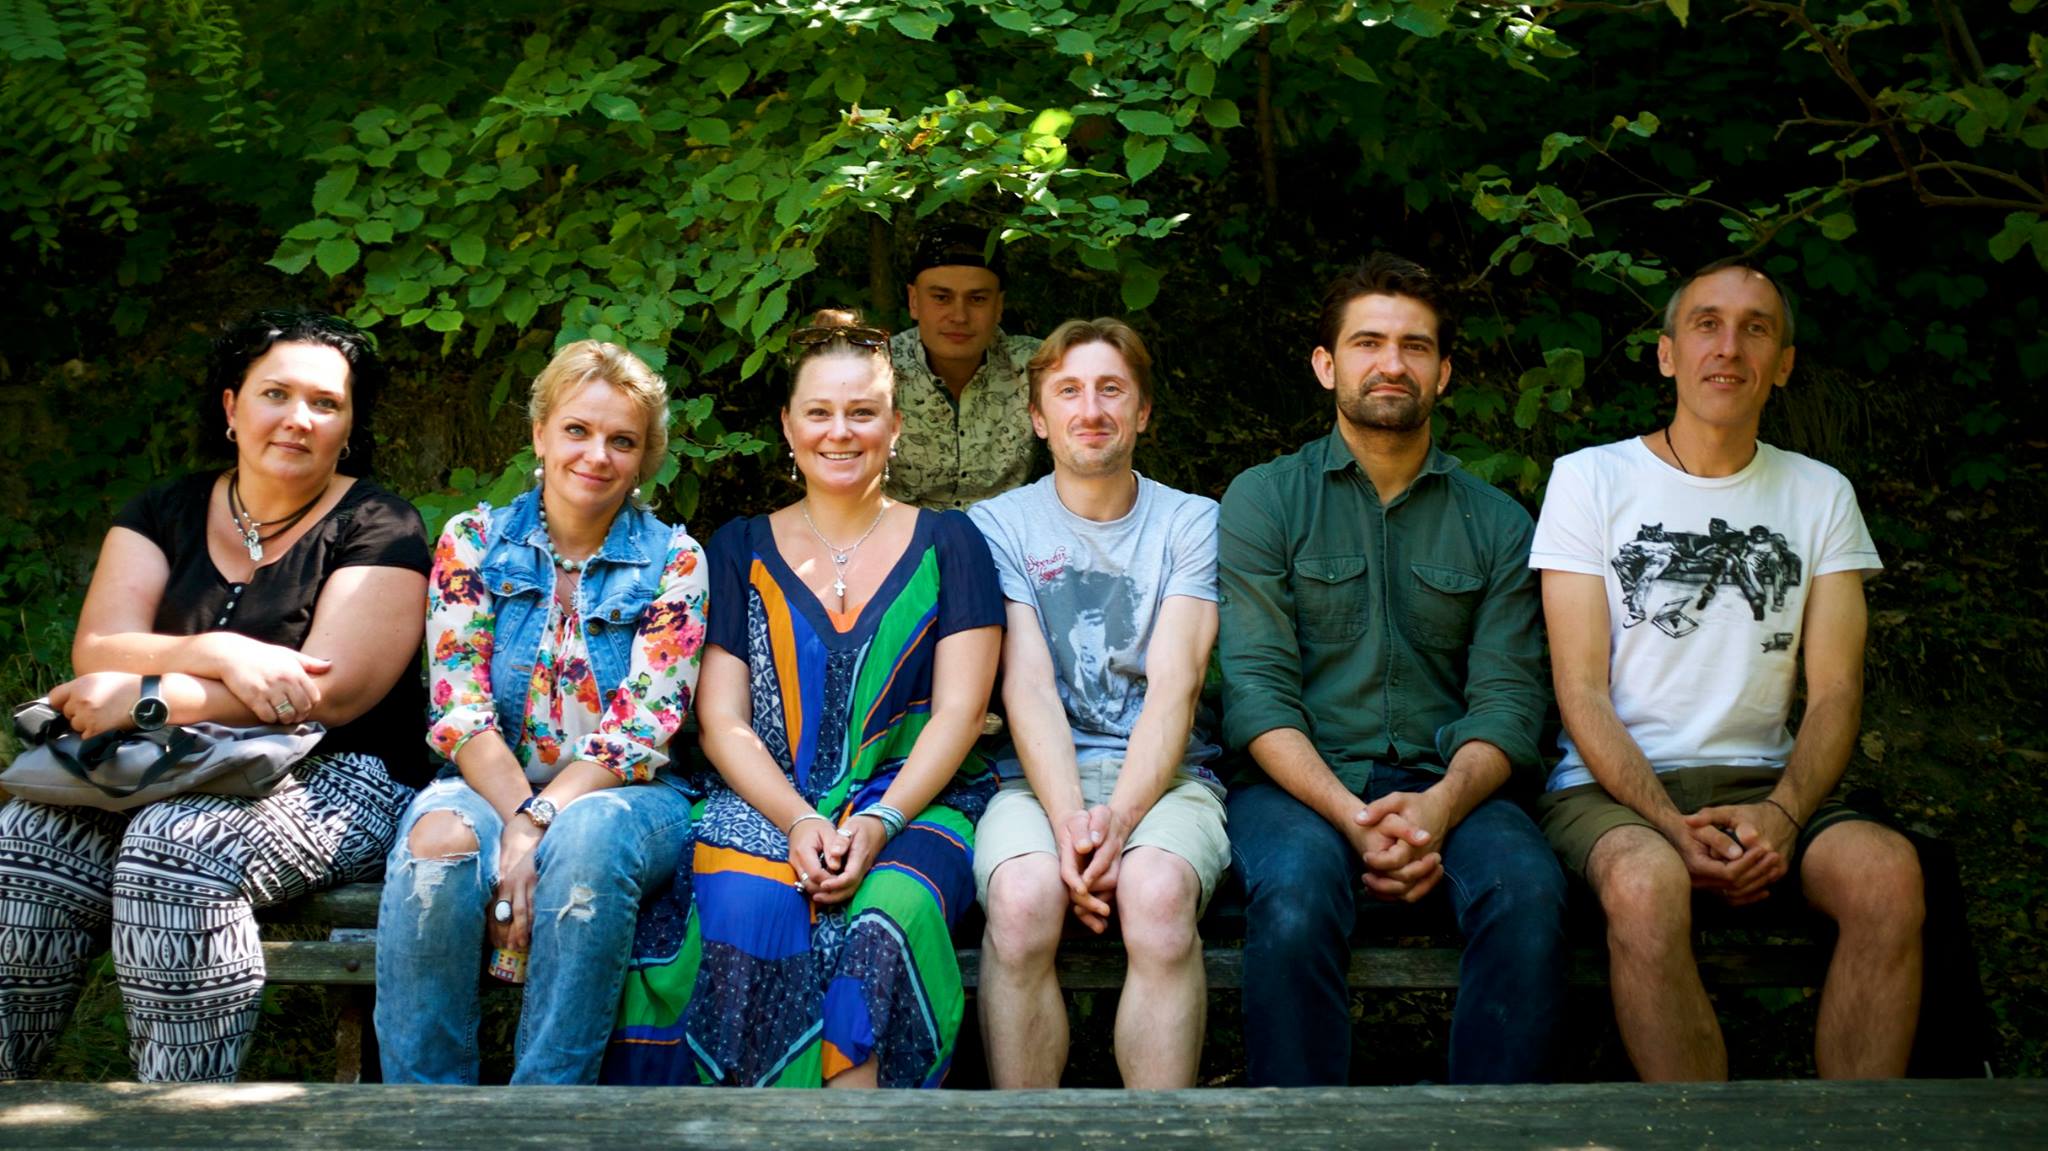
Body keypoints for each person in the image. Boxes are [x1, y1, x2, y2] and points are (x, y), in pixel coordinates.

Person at [0, 308, 430, 1083]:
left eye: (326, 403)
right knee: (27, 837)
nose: (298, 418)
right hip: (166, 764)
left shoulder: (381, 524)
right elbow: (99, 646)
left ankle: (183, 1112)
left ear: (347, 427)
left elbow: (326, 692)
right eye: (276, 393)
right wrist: (221, 652)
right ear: (232, 407)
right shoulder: (162, 510)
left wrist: (150, 697)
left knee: (176, 848)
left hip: (340, 777)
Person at [1531, 258, 1923, 1080]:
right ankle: (1705, 1131)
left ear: (1783, 364)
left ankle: (1856, 1133)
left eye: (1756, 329)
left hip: (1768, 781)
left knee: (1887, 877)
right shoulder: (1590, 480)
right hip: (1610, 789)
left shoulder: (1820, 494)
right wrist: (1668, 826)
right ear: (1667, 352)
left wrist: (1782, 814)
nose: (1729, 347)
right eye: (1706, 323)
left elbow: (1837, 692)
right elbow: (1580, 690)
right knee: (1645, 886)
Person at [607, 310, 1003, 1088]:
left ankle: (860, 1132)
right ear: (789, 428)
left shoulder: (952, 543)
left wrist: (879, 822)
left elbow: (959, 712)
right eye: (819, 412)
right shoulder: (739, 547)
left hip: (918, 800)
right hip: (764, 797)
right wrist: (799, 819)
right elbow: (722, 720)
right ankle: (744, 1135)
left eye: (862, 412)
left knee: (888, 919)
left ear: (895, 425)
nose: (840, 431)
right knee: (745, 906)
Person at [1220, 253, 1567, 1086]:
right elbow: (1258, 694)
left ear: (1443, 373)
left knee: (1528, 891)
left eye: (1415, 346)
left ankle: (1495, 1133)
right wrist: (1350, 813)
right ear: (1326, 365)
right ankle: (1302, 1135)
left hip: (1452, 785)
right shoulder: (1265, 501)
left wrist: (1439, 807)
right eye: (1368, 342)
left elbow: (1510, 703)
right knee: (1295, 896)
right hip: (1302, 784)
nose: (1391, 363)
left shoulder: (1497, 523)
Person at [374, 341, 708, 1085]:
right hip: (490, 781)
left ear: (644, 459)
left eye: (622, 440)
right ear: (540, 435)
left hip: (627, 797)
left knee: (586, 842)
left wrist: (538, 820)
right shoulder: (473, 541)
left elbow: (643, 729)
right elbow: (460, 709)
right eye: (577, 430)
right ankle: (423, 1116)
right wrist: (519, 816)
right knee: (438, 841)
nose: (597, 455)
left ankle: (548, 1112)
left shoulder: (675, 560)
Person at [969, 318, 1228, 1089]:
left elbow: (1176, 685)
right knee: (1022, 900)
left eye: (1111, 390)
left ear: (1142, 412)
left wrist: (1115, 823)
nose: (1091, 409)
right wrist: (1068, 823)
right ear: (1037, 417)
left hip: (1169, 777)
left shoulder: (1190, 520)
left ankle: (1157, 1133)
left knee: (1157, 895)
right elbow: (1025, 685)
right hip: (1033, 778)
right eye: (1069, 392)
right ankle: (1028, 1133)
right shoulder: (998, 524)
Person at [885, 224, 1041, 510]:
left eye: (977, 299)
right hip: (901, 530)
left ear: (999, 306)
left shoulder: (1036, 366)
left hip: (1005, 529)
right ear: (914, 301)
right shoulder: (877, 370)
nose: (959, 316)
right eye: (941, 298)